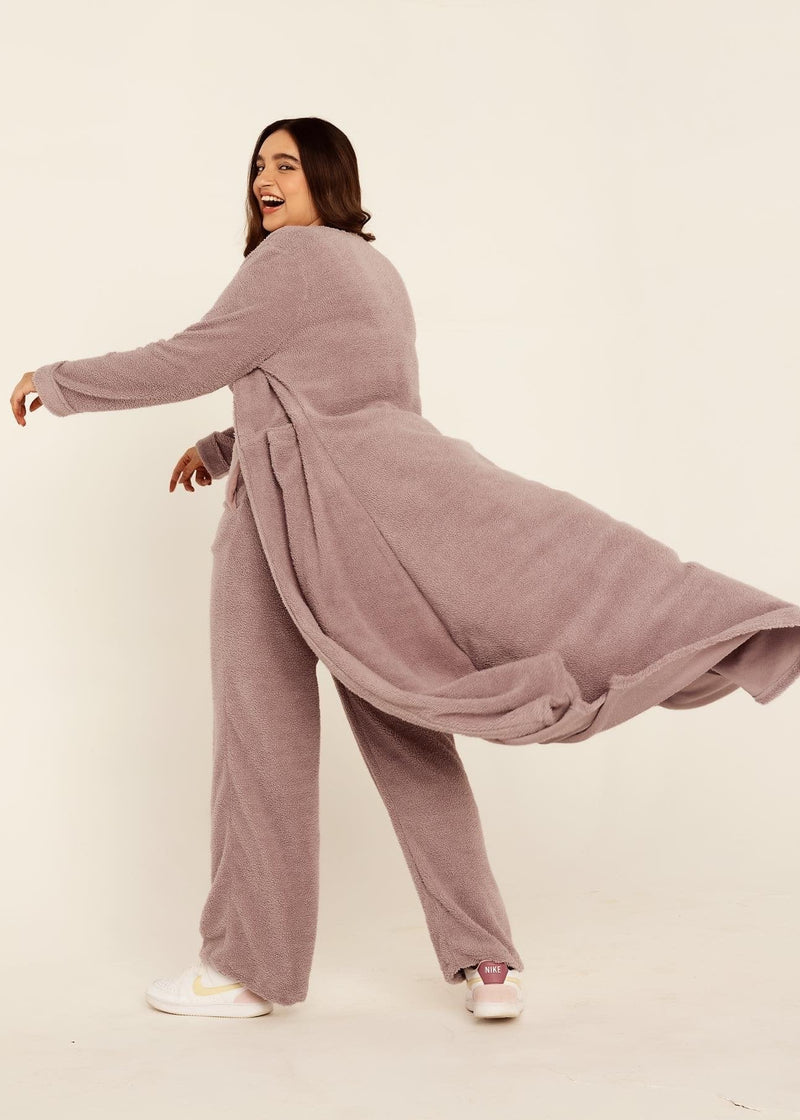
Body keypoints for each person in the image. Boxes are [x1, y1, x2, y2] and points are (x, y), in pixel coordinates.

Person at [11, 118, 527, 1021]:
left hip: (278, 533)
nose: (264, 178)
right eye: (258, 165)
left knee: (262, 744)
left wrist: (59, 382)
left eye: (286, 163)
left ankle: (247, 970)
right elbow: (350, 403)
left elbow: (190, 357)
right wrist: (224, 448)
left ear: (328, 177)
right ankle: (489, 963)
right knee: (412, 740)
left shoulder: (289, 260)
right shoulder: (377, 273)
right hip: (362, 536)